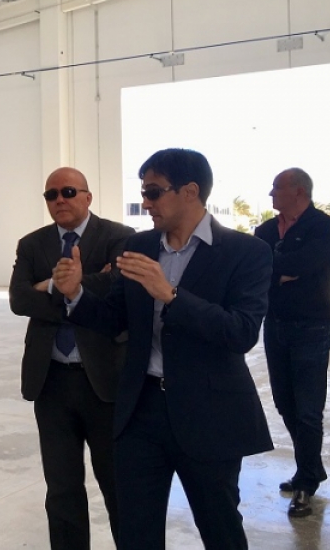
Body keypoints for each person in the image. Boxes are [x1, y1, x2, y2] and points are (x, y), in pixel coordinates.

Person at [53, 148, 273, 550]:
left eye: (153, 192)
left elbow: (241, 332)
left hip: (209, 414)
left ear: (190, 192)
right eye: (143, 193)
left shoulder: (246, 252)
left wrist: (171, 295)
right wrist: (75, 295)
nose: (146, 202)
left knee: (220, 528)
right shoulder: (138, 246)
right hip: (142, 411)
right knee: (136, 532)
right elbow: (114, 319)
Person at [9, 167, 132, 550]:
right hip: (52, 382)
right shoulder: (32, 244)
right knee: (62, 489)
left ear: (88, 197)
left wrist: (51, 286)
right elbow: (18, 299)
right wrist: (72, 289)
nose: (59, 200)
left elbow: (117, 290)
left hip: (105, 384)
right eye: (51, 195)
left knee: (119, 486)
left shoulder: (119, 237)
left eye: (68, 192)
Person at [255, 168, 330, 518]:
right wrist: (284, 272)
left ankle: (306, 482)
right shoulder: (264, 230)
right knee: (284, 403)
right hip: (274, 325)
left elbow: (307, 264)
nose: (271, 194)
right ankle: (311, 467)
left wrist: (281, 268)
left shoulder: (322, 226)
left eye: (277, 188)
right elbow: (258, 269)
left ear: (299, 192)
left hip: (312, 328)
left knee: (307, 410)